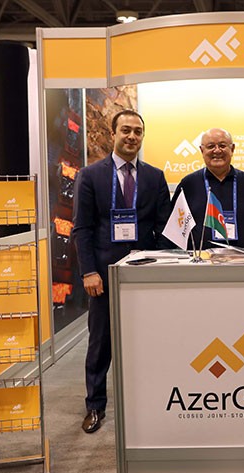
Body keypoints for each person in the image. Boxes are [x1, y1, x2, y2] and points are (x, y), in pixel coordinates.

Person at [73, 109, 172, 433]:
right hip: (103, 275)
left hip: (144, 275)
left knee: (148, 341)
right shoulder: (90, 175)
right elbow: (82, 229)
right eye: (126, 130)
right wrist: (89, 271)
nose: (132, 136)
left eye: (137, 131)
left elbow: (163, 227)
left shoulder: (155, 177)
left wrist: (155, 265)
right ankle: (95, 406)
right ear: (113, 133)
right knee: (100, 344)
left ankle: (152, 405)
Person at [172, 128, 244, 250]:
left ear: (232, 149)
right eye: (211, 146)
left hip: (243, 259)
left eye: (222, 145)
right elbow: (175, 227)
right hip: (200, 259)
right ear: (202, 150)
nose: (217, 150)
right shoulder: (188, 184)